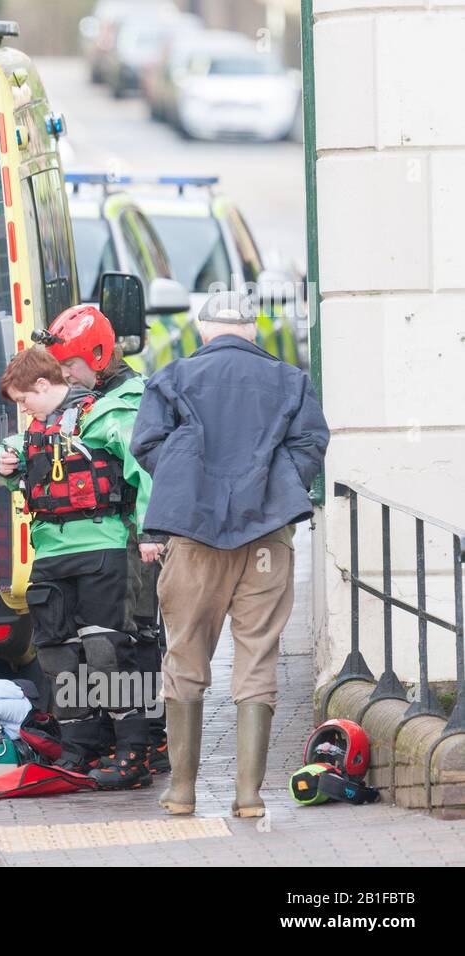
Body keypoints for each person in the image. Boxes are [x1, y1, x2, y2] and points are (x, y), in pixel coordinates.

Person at [131, 291, 329, 817]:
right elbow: (310, 444)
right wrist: (272, 489)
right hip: (267, 540)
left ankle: (181, 792)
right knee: (258, 655)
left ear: (204, 331)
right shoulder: (291, 379)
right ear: (250, 331)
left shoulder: (171, 377)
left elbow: (146, 445)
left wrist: (192, 481)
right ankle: (248, 796)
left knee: (186, 655)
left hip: (194, 540)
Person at [0, 342, 155, 790]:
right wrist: (4, 464)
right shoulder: (33, 433)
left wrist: (149, 533)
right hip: (50, 554)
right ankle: (79, 748)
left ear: (45, 385)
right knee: (58, 656)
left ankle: (132, 752)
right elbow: (7, 458)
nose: (24, 410)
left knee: (108, 653)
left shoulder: (106, 416)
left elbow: (144, 469)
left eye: (25, 400)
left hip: (104, 548)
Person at [44, 305, 168, 773]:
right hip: (103, 540)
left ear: (97, 356)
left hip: (133, 537)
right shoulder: (84, 400)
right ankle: (112, 739)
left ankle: (145, 742)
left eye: (72, 365)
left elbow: (147, 472)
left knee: (131, 641)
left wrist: (150, 532)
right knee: (99, 643)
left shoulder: (131, 402)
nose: (66, 374)